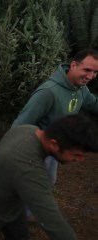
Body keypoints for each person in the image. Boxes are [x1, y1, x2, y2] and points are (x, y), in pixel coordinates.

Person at [0, 114, 98, 240]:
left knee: (20, 237)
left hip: (10, 204)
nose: (79, 161)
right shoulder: (29, 170)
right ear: (54, 144)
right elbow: (53, 222)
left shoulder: (27, 129)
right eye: (76, 155)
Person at [12, 49, 98, 220]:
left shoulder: (81, 89)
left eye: (95, 72)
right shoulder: (48, 92)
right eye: (87, 70)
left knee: (47, 180)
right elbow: (19, 124)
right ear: (73, 65)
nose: (90, 76)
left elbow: (94, 104)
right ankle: (13, 215)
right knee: (31, 183)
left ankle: (26, 214)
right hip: (36, 148)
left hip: (55, 148)